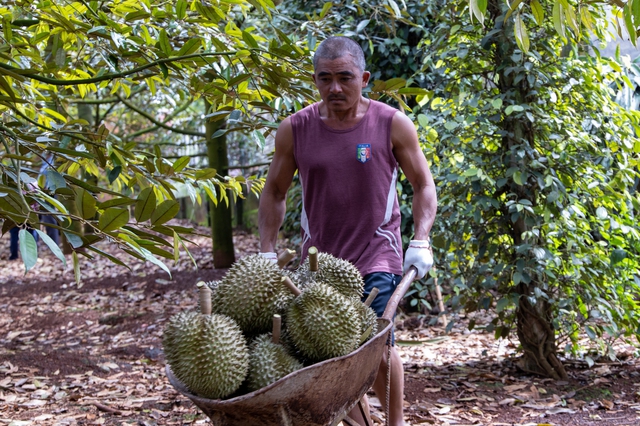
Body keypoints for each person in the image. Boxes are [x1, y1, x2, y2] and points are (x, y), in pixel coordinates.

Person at [258, 36, 437, 426]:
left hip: (378, 253)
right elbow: (274, 191)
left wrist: (420, 238)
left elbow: (423, 184)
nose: (335, 87)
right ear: (315, 80)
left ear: (365, 78)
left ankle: (395, 423)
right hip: (318, 262)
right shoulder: (296, 129)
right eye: (325, 78)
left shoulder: (391, 123)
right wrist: (267, 251)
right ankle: (359, 421)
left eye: (345, 77)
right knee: (330, 354)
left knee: (376, 349)